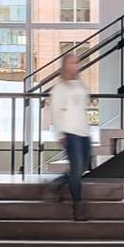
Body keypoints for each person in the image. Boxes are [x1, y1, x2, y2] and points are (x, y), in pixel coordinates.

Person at [47, 54, 92, 219]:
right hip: (70, 132)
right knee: (76, 168)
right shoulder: (59, 88)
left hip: (84, 132)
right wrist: (59, 133)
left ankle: (58, 183)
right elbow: (55, 112)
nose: (76, 65)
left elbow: (85, 103)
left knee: (83, 167)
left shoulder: (80, 85)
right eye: (72, 63)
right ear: (65, 66)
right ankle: (77, 206)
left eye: (77, 63)